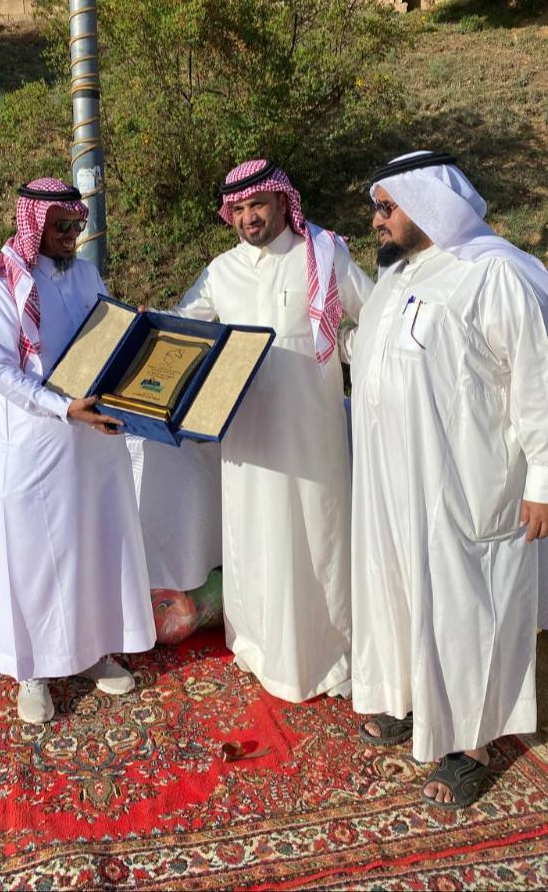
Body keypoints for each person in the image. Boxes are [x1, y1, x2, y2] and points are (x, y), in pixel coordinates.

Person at [349, 150, 548, 808]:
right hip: (393, 482)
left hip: (467, 483)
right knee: (402, 593)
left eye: (387, 207)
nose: (376, 220)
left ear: (428, 201)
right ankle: (412, 700)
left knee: (468, 613)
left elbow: (539, 382)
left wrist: (544, 478)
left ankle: (472, 743)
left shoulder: (495, 273)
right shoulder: (400, 274)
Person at [168, 159, 374, 702]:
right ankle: (258, 647)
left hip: (311, 439)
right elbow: (182, 326)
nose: (248, 217)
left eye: (256, 204)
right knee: (253, 537)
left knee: (318, 541)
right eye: (237, 209)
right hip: (248, 439)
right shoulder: (221, 271)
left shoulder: (323, 255)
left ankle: (327, 655)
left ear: (283, 201)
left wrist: (343, 346)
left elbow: (377, 318)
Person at [0, 178, 155, 724]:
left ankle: (92, 652)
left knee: (92, 547)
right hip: (36, 444)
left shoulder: (87, 274)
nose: (71, 234)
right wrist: (61, 407)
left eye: (76, 224)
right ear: (33, 223)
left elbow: (103, 342)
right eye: (60, 226)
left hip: (92, 442)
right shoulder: (1, 279)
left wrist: (137, 331)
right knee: (35, 559)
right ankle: (33, 672)